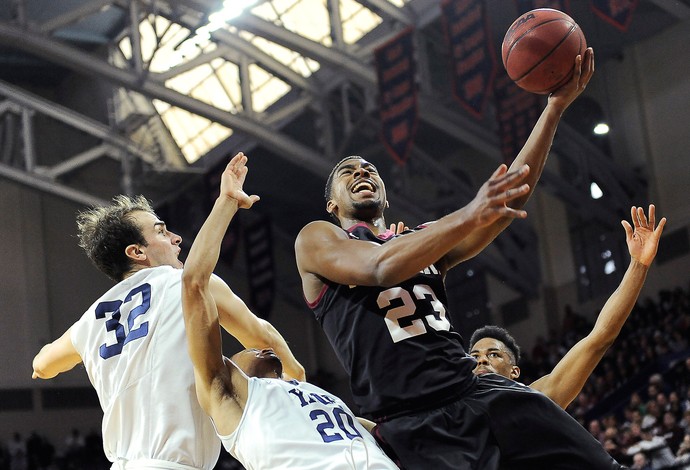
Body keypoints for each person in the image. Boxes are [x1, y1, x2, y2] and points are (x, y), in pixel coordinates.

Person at [295, 49, 625, 469]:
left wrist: (553, 110)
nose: (362, 172)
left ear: (385, 192)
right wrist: (470, 211)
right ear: (330, 203)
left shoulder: (421, 239)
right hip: (414, 421)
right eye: (349, 171)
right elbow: (379, 268)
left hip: (477, 389)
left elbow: (512, 195)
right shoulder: (317, 238)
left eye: (370, 168)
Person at [31, 157, 305, 470]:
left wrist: (42, 366)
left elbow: (44, 363)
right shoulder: (187, 284)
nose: (176, 238)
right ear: (137, 252)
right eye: (161, 232)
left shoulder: (90, 320)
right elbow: (261, 336)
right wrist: (298, 376)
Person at [181, 152, 398, 469]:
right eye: (244, 350)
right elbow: (193, 283)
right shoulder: (228, 395)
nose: (257, 347)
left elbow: (390, 437)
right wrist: (226, 202)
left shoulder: (311, 391)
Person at [469, 205, 666, 409]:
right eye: (474, 358)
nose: (481, 361)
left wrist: (638, 265)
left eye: (494, 354)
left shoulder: (536, 399)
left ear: (514, 372)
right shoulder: (455, 421)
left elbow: (600, 337)